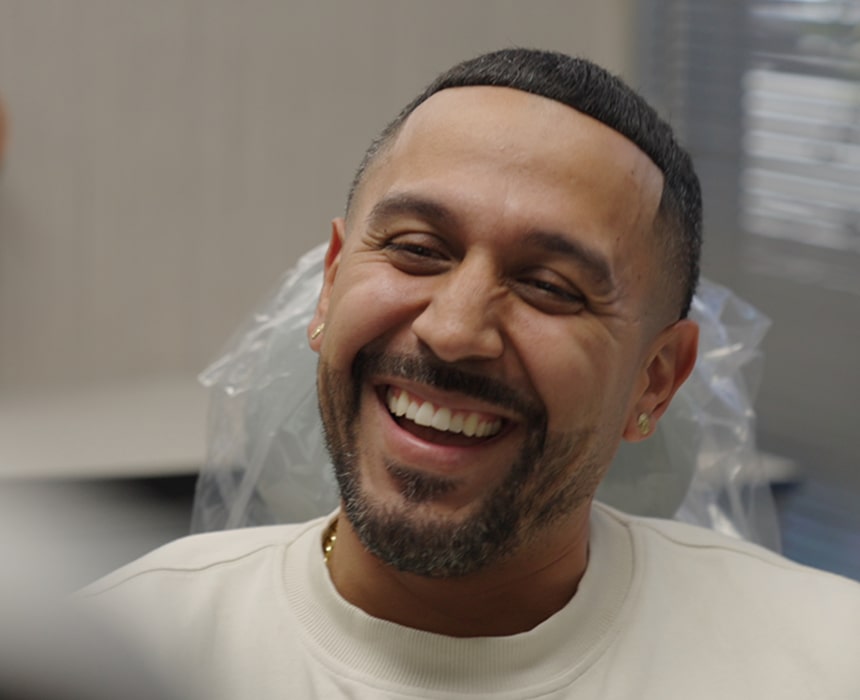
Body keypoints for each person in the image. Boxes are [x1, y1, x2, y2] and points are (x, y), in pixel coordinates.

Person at [84, 49, 860, 698]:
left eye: (550, 287)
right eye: (419, 248)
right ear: (329, 287)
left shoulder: (823, 661)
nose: (453, 331)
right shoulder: (117, 658)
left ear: (655, 380)